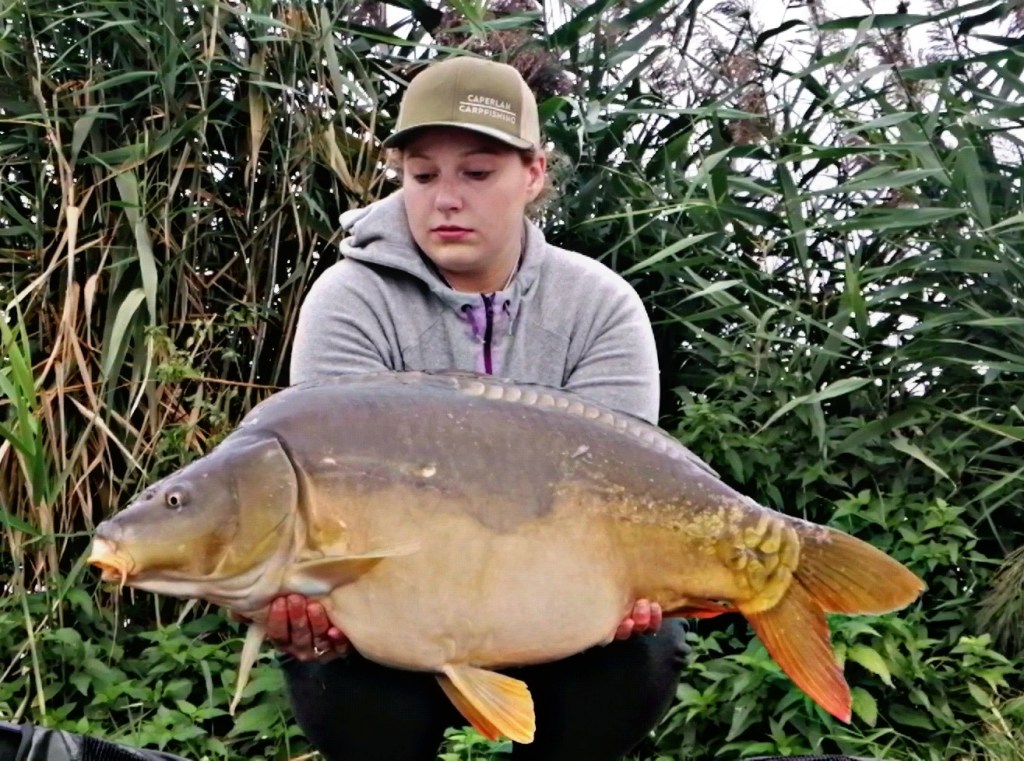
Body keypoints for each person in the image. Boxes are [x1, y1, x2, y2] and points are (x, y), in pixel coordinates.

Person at [267, 56, 689, 761]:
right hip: (395, 605)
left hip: (556, 601)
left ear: (534, 173)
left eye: (477, 173)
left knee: (646, 645)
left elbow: (619, 494)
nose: (446, 200)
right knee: (329, 648)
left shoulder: (599, 306)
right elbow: (337, 507)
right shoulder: (349, 302)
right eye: (422, 175)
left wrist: (628, 583)